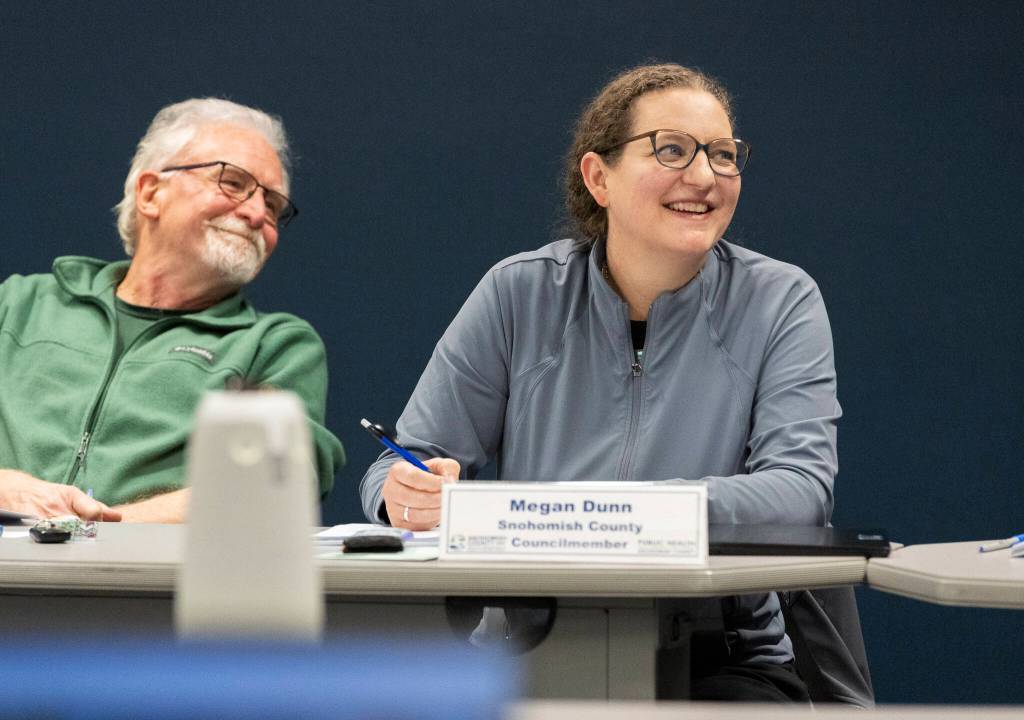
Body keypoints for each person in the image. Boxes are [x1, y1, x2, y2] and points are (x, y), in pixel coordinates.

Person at [360, 63, 840, 701]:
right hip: (523, 650)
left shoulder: (780, 299)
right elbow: (403, 464)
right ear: (599, 176)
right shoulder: (518, 292)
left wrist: (616, 514)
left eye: (724, 156)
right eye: (672, 149)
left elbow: (799, 491)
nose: (703, 177)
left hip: (717, 656)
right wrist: (405, 494)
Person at [0, 98, 345, 523]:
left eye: (273, 205)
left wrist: (84, 529)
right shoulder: (18, 306)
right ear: (150, 193)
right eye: (233, 183)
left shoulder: (275, 347)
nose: (257, 213)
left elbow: (275, 487)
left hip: (155, 584)